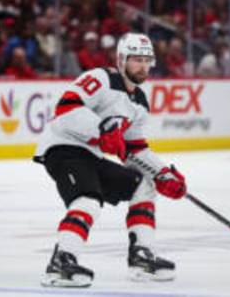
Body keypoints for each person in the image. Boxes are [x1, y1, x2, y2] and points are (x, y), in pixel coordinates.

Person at [34, 32, 187, 287]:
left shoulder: (139, 102)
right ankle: (61, 262)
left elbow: (134, 149)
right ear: (121, 59)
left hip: (91, 156)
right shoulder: (100, 78)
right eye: (136, 59)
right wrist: (102, 130)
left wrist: (161, 174)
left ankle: (142, 256)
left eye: (147, 60)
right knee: (88, 200)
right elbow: (67, 108)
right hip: (64, 148)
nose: (143, 66)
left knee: (144, 185)